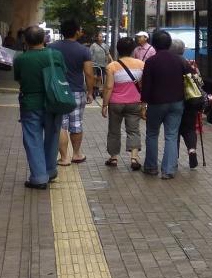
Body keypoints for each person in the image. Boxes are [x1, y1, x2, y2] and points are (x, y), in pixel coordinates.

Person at [13, 26, 64, 189]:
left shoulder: (20, 59)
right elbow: (62, 74)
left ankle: (39, 177)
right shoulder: (55, 55)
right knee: (52, 137)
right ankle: (50, 171)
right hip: (54, 102)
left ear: (25, 40)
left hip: (30, 103)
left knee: (32, 140)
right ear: (44, 39)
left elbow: (19, 79)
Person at [139, 29, 189, 179]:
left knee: (152, 133)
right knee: (171, 135)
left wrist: (143, 105)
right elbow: (189, 78)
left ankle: (151, 167)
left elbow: (146, 86)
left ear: (154, 44)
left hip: (156, 103)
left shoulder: (151, 62)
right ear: (169, 44)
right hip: (177, 102)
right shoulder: (180, 60)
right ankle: (168, 170)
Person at [49, 19, 95, 166]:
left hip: (57, 91)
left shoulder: (51, 47)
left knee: (61, 124)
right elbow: (89, 74)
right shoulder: (83, 50)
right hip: (76, 91)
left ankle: (64, 158)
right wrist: (90, 92)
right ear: (76, 32)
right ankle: (76, 154)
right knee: (76, 123)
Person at [101, 36, 144, 170]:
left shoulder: (112, 66)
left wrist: (104, 105)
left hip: (116, 103)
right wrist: (144, 103)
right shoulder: (141, 64)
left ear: (118, 49)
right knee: (134, 130)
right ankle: (134, 158)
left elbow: (109, 87)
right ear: (133, 50)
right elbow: (143, 85)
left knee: (114, 130)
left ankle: (113, 158)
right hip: (135, 102)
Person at [171, 39, 203, 169]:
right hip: (191, 100)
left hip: (174, 100)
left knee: (174, 130)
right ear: (183, 50)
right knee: (189, 128)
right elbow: (200, 82)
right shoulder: (190, 64)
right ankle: (192, 151)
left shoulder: (170, 64)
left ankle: (174, 158)